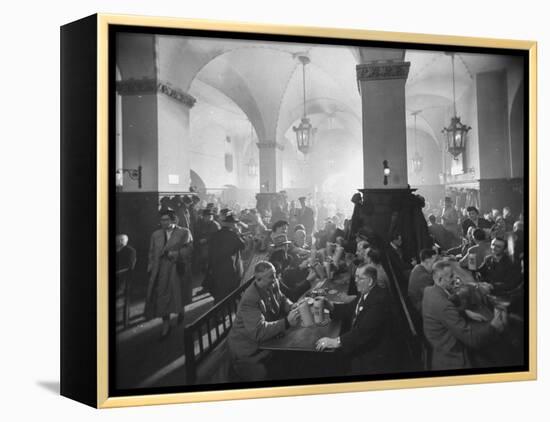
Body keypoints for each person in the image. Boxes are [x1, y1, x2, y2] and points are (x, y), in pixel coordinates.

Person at [422, 260, 507, 370]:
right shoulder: (443, 306)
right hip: (451, 353)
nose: (455, 278)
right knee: (496, 349)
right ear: (439, 280)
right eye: (451, 276)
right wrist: (494, 326)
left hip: (437, 343)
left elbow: (443, 313)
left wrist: (465, 312)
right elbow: (471, 340)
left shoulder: (429, 291)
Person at [315, 265, 395, 375]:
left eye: (359, 278)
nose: (355, 281)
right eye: (355, 277)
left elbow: (363, 331)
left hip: (373, 357)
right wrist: (329, 305)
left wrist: (335, 341)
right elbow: (349, 309)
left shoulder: (379, 300)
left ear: (370, 281)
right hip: (363, 344)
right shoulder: (366, 293)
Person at [228, 261, 300, 381]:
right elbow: (258, 331)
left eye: (275, 274)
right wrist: (286, 322)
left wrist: (291, 306)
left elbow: (281, 298)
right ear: (258, 280)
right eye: (271, 276)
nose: (275, 279)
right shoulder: (250, 299)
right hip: (248, 349)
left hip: (265, 342)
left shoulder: (272, 282)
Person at [145, 209, 193, 339]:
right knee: (161, 296)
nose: (163, 222)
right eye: (161, 220)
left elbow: (189, 249)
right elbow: (151, 251)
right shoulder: (156, 234)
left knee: (177, 294)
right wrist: (150, 266)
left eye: (166, 220)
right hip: (160, 270)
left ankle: (180, 310)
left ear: (173, 220)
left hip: (175, 268)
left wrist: (175, 254)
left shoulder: (184, 232)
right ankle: (165, 326)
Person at [203, 212, 246, 303]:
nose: (236, 224)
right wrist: (239, 233)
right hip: (230, 268)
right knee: (229, 293)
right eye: (234, 223)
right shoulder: (233, 235)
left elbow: (210, 252)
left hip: (217, 267)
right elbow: (243, 247)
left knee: (219, 291)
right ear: (230, 224)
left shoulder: (215, 235)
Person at [407, 248, 438, 317]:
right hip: (422, 308)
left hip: (418, 302)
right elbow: (434, 297)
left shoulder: (418, 267)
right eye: (435, 261)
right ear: (427, 261)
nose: (436, 264)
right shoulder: (424, 277)